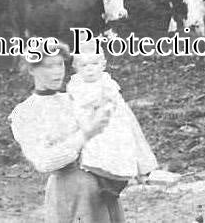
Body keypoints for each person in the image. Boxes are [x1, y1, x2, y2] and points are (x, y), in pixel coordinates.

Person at [9, 39, 122, 223]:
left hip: (103, 188)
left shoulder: (75, 99)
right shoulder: (25, 112)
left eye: (60, 64)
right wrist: (85, 135)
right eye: (48, 66)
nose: (57, 72)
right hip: (69, 193)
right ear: (32, 69)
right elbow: (44, 162)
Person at [67, 43, 157, 197]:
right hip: (89, 124)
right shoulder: (77, 85)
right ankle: (102, 180)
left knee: (120, 146)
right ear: (76, 68)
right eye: (84, 65)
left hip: (112, 122)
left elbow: (114, 103)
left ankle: (121, 178)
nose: (89, 69)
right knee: (94, 151)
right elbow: (77, 106)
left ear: (103, 65)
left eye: (94, 64)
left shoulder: (106, 82)